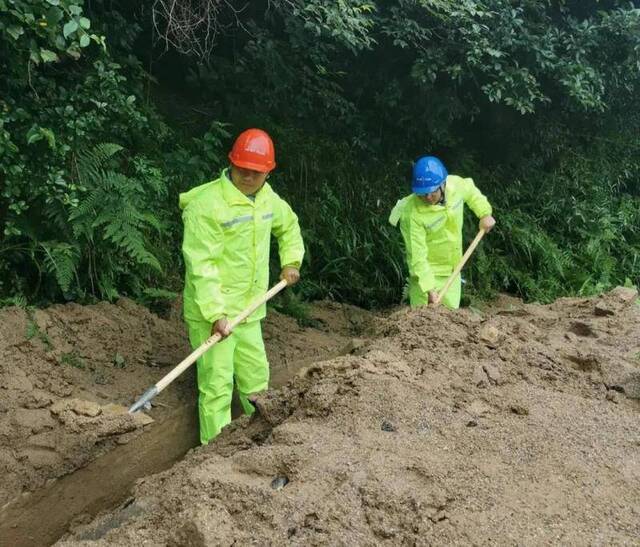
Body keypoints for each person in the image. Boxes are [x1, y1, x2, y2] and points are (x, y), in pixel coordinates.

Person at [179, 128, 304, 444]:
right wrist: (215, 314)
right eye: (243, 169)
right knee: (217, 385)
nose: (248, 176)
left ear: (267, 172)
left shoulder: (267, 199)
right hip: (213, 315)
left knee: (256, 379)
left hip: (249, 310)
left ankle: (260, 438)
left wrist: (291, 261)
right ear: (231, 163)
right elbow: (201, 265)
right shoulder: (206, 207)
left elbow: (288, 226)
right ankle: (215, 453)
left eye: (256, 172)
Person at [389, 156, 495, 309]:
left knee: (450, 324)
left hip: (453, 271)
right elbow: (417, 256)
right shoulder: (412, 214)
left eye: (432, 192)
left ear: (442, 185)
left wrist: (484, 213)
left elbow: (472, 193)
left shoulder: (456, 186)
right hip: (424, 277)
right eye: (422, 193)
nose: (428, 197)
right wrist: (429, 288)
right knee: (421, 325)